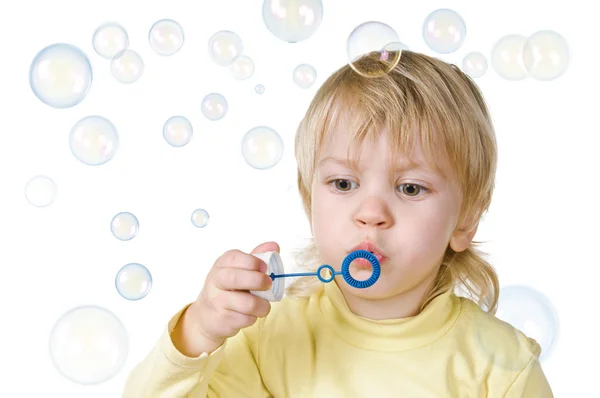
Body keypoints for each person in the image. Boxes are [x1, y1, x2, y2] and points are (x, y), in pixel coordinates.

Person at [122, 50, 554, 397]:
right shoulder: (268, 339)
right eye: (344, 182)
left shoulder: (501, 370)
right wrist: (198, 331)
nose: (371, 213)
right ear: (310, 202)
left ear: (465, 220)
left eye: (409, 188)